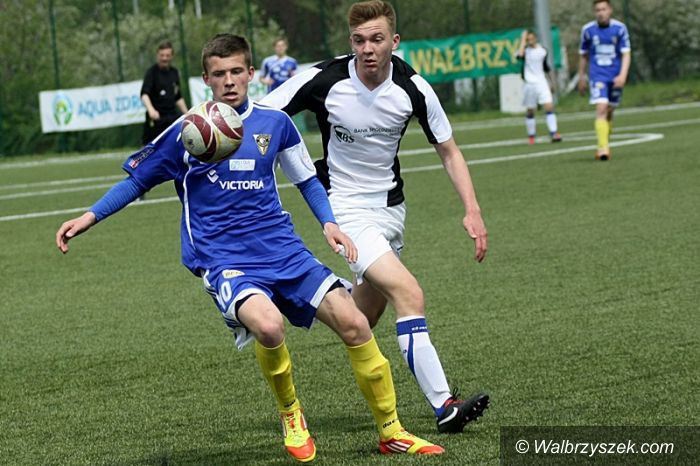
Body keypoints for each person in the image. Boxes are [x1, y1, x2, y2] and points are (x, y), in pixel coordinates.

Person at [56, 33, 444, 462]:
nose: (229, 81)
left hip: (283, 250)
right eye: (219, 73)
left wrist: (329, 223)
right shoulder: (188, 131)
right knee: (269, 326)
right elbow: (136, 180)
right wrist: (88, 217)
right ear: (206, 79)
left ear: (251, 74)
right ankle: (291, 414)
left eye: (236, 71)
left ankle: (392, 431)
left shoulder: (275, 123)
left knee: (355, 323)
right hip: (223, 258)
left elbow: (307, 181)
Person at [261, 0, 489, 434]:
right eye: (359, 40)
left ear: (394, 42)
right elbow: (264, 114)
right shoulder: (324, 79)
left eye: (377, 39)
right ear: (351, 42)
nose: (368, 49)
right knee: (409, 293)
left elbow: (449, 150)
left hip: (391, 210)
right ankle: (445, 406)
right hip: (343, 206)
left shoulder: (413, 87)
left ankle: (297, 294)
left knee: (362, 317)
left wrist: (472, 210)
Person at [577, 0, 631, 161]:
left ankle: (604, 141)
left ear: (610, 10)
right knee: (601, 108)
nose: (601, 13)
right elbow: (584, 55)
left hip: (615, 75)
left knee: (609, 111)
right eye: (598, 10)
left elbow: (626, 54)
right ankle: (603, 148)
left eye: (604, 9)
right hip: (597, 75)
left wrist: (623, 75)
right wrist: (581, 76)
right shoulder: (588, 30)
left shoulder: (620, 28)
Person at [516, 29, 562, 145]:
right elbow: (519, 55)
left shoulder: (542, 51)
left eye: (531, 38)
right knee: (531, 110)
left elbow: (546, 67)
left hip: (542, 83)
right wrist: (522, 40)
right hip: (529, 84)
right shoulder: (525, 51)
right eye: (528, 39)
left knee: (549, 106)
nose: (530, 41)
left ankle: (554, 133)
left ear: (535, 38)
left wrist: (552, 83)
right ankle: (531, 135)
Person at [140, 40, 189, 145]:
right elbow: (144, 95)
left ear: (172, 56)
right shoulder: (151, 73)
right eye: (162, 55)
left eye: (167, 55)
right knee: (150, 149)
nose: (164, 58)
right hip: (157, 120)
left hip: (172, 118)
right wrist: (151, 110)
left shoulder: (174, 72)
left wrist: (188, 114)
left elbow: (178, 97)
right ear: (157, 55)